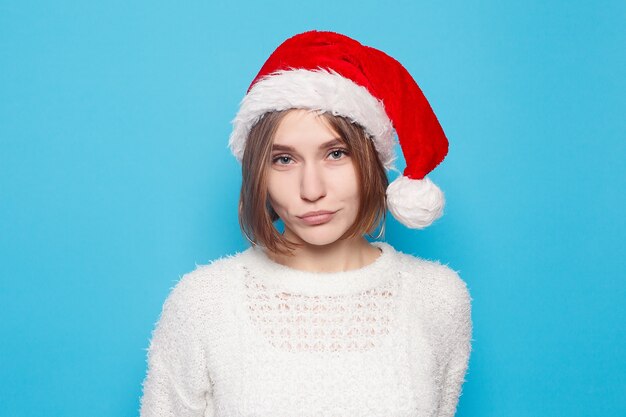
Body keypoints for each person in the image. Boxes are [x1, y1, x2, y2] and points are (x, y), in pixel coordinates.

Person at [139, 30, 472, 417]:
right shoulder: (202, 303)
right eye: (284, 159)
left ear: (372, 161)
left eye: (335, 153)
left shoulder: (438, 297)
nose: (311, 190)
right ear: (258, 173)